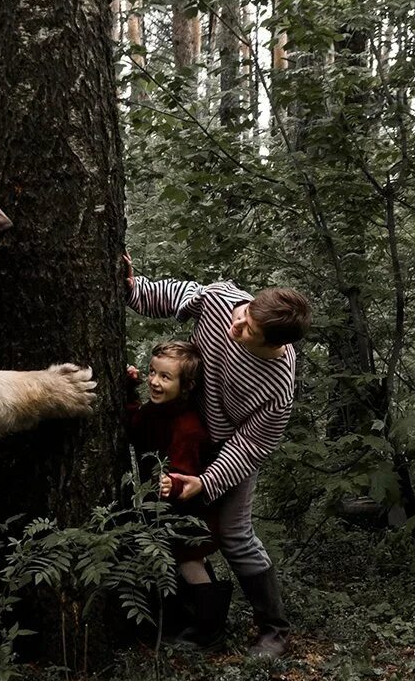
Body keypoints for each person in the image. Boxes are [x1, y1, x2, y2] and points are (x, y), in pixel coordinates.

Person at [123, 254, 311, 658]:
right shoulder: (225, 302)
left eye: (248, 330)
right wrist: (132, 289)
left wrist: (208, 482)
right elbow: (179, 297)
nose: (235, 324)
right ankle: (201, 620)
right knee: (179, 529)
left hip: (228, 451)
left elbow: (254, 445)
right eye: (243, 313)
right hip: (187, 433)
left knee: (233, 533)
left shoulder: (277, 384)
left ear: (273, 343)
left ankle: (273, 630)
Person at [125, 342, 231, 649]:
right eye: (152, 373)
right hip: (169, 508)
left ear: (186, 385)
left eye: (165, 377)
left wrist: (172, 481)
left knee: (189, 560)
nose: (155, 382)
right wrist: (131, 392)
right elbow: (134, 430)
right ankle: (188, 618)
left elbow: (186, 468)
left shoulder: (187, 424)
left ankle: (210, 632)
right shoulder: (156, 411)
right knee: (178, 559)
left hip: (192, 510)